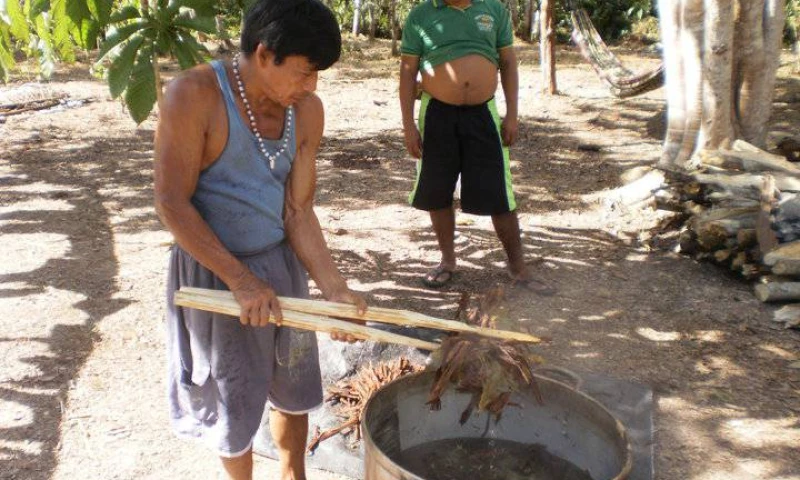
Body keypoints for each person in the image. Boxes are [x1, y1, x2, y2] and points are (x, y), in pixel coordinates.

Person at [153, 1, 366, 478]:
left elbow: (297, 209)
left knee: (293, 386)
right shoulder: (193, 95)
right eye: (305, 72)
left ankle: (294, 474)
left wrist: (334, 290)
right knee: (233, 398)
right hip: (214, 273)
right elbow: (171, 202)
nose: (311, 86)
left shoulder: (306, 112)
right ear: (266, 54)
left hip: (280, 265)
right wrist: (240, 281)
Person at [400, 0, 546, 291]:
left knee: (498, 191)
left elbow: (507, 62)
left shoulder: (493, 10)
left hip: (484, 114)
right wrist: (408, 126)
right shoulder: (422, 16)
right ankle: (448, 261)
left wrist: (513, 115)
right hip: (436, 113)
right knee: (437, 189)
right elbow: (407, 72)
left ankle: (519, 268)